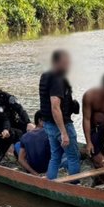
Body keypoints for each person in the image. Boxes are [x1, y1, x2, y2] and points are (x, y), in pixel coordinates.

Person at [39, 50, 81, 179]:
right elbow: (55, 107)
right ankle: (75, 187)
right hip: (61, 124)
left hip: (49, 124)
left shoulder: (46, 76)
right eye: (66, 62)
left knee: (55, 156)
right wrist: (64, 133)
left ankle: (51, 184)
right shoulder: (58, 79)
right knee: (73, 157)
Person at [15, 111, 53, 176]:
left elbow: (21, 159)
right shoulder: (49, 133)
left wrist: (34, 173)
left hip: (33, 169)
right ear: (40, 121)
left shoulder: (25, 136)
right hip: (46, 168)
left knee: (17, 145)